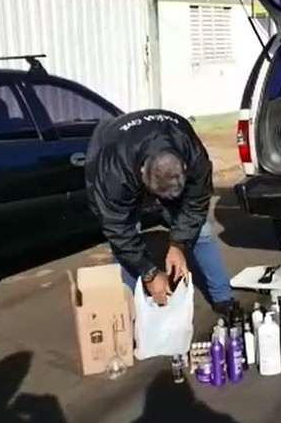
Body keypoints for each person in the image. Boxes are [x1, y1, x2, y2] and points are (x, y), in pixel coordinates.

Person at [85, 109, 233, 313]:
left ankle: (224, 299)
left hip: (155, 143)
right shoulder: (113, 173)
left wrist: (179, 244)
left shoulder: (192, 153)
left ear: (183, 166)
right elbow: (118, 229)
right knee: (126, 241)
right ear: (142, 172)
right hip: (109, 149)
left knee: (202, 232)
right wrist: (150, 273)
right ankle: (129, 315)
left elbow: (196, 202)